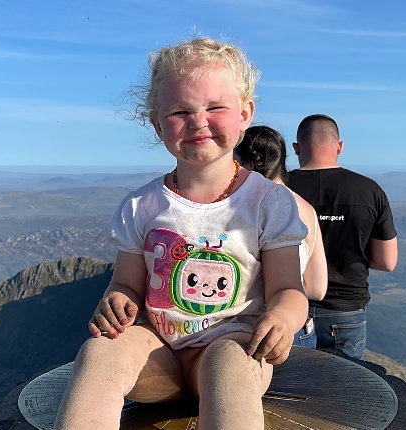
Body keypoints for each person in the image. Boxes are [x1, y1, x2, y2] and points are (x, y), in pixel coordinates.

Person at [54, 38, 309, 430]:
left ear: (245, 114)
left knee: (231, 364)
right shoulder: (142, 207)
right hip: (160, 357)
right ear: (158, 125)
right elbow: (125, 284)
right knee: (98, 354)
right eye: (179, 111)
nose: (198, 120)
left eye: (215, 107)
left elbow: (289, 289)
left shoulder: (269, 203)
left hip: (235, 345)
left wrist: (282, 319)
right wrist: (116, 301)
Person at [288, 114, 398, 360]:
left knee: (290, 391)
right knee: (343, 392)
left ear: (296, 148)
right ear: (339, 147)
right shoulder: (369, 191)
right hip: (345, 311)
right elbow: (386, 262)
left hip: (290, 305)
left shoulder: (279, 188)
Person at [234, 125, 327, 348]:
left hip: (247, 330)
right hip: (297, 330)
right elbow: (317, 288)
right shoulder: (306, 209)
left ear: (249, 164)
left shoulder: (239, 211)